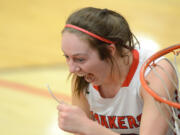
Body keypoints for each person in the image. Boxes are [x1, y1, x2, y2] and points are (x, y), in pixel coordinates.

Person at [57, 7, 178, 135]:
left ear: (110, 51)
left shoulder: (155, 72)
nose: (72, 69)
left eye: (80, 59)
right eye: (67, 57)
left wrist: (88, 127)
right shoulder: (84, 75)